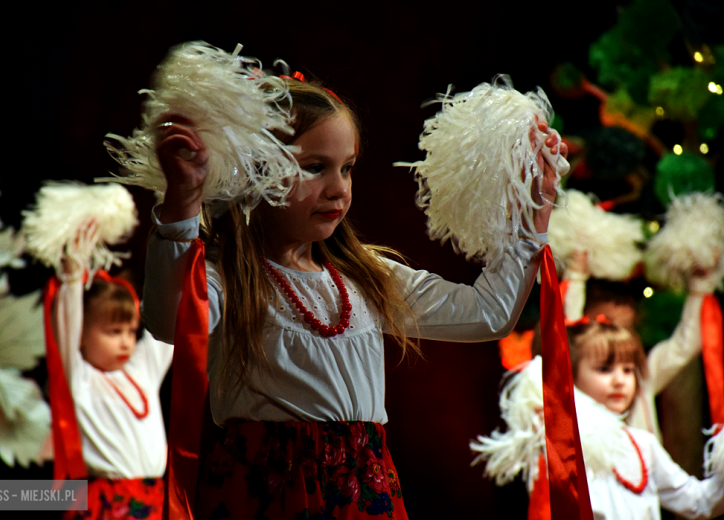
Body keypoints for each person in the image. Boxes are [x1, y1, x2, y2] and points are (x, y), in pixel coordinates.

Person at [143, 78, 566, 519]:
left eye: (346, 168)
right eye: (314, 167)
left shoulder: (368, 277)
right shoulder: (228, 278)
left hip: (362, 491)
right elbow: (171, 320)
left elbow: (488, 314)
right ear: (254, 171)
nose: (338, 188)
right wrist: (182, 205)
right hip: (263, 493)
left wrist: (531, 214)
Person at [472, 320, 724, 520]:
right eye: (604, 369)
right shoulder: (559, 437)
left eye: (628, 370)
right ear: (571, 377)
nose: (620, 380)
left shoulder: (643, 444)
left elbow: (699, 502)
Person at [50, 218, 174, 520]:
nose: (126, 342)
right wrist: (72, 279)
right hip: (107, 502)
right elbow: (66, 326)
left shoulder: (142, 371)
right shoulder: (82, 378)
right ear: (81, 335)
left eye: (132, 332)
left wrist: (173, 235)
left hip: (154, 499)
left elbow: (169, 319)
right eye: (113, 331)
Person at [560, 250, 719, 438]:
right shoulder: (575, 369)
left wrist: (701, 285)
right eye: (607, 325)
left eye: (627, 328)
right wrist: (576, 274)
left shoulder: (643, 373)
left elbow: (685, 345)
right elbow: (565, 330)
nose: (618, 337)